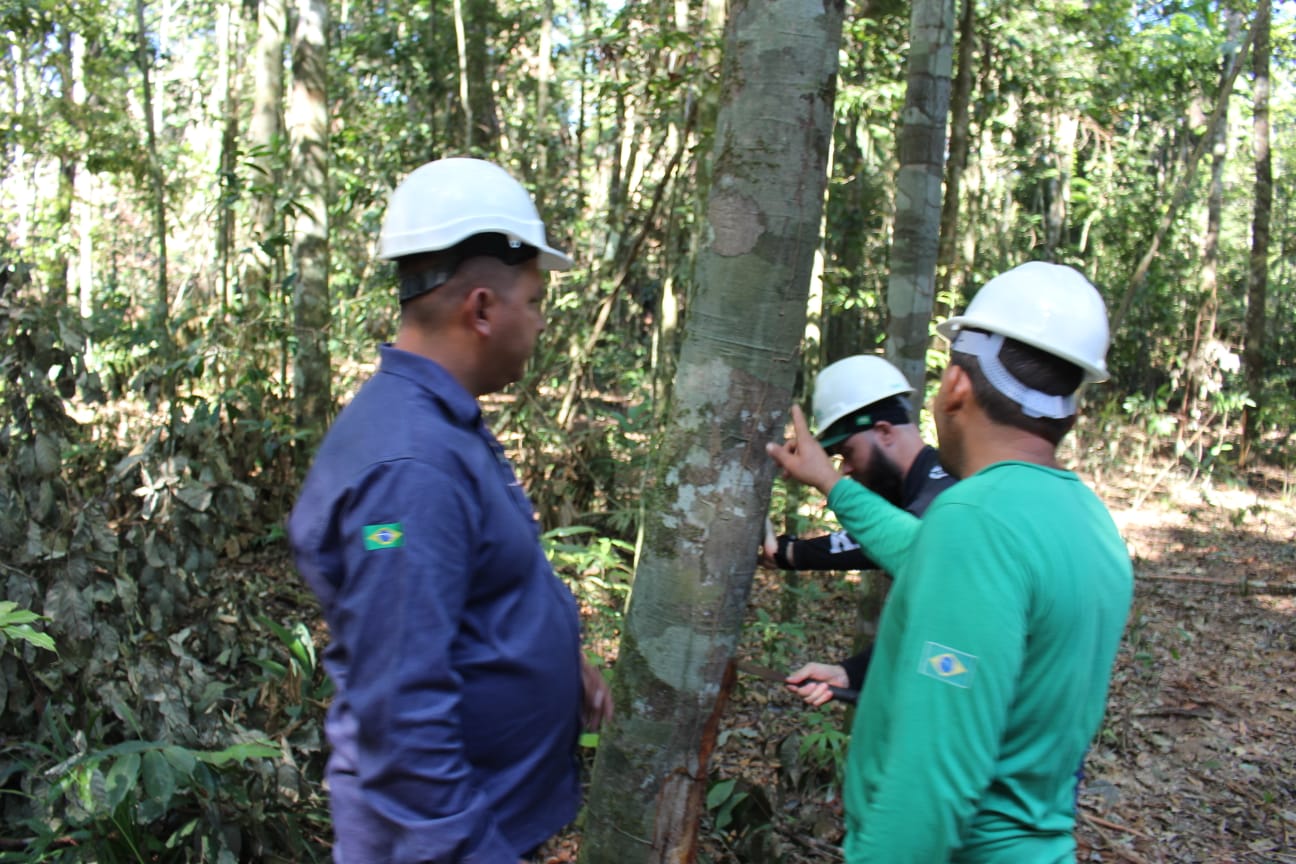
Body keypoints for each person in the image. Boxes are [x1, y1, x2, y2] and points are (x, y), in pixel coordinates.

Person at [288, 157, 613, 863]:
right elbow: (401, 713)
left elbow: (471, 586)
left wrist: (562, 659)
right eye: (535, 302)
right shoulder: (411, 469)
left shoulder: (439, 422)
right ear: (483, 309)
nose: (540, 323)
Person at [766, 261, 1133, 861]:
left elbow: (931, 782)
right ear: (1069, 409)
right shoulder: (1086, 521)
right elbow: (923, 552)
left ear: (957, 385)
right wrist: (831, 485)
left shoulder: (975, 522)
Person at [756, 355, 956, 706]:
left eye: (847, 452)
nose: (846, 468)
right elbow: (928, 633)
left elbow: (906, 543)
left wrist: (826, 482)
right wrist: (852, 673)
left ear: (884, 431)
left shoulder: (948, 493)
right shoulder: (919, 490)